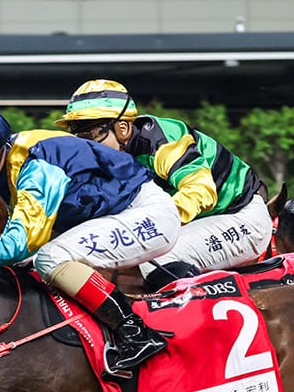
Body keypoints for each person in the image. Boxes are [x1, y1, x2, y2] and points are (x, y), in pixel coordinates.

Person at [0, 103, 182, 375]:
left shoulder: (36, 168)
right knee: (34, 262)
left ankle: (135, 332)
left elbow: (16, 247)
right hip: (117, 214)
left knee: (50, 258)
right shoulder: (10, 165)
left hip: (148, 215)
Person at [55, 79, 270, 290]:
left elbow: (201, 192)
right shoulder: (108, 160)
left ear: (122, 128)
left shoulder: (163, 140)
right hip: (196, 225)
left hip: (240, 218)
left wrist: (152, 224)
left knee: (151, 261)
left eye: (93, 135)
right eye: (80, 139)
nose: (88, 147)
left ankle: (195, 319)